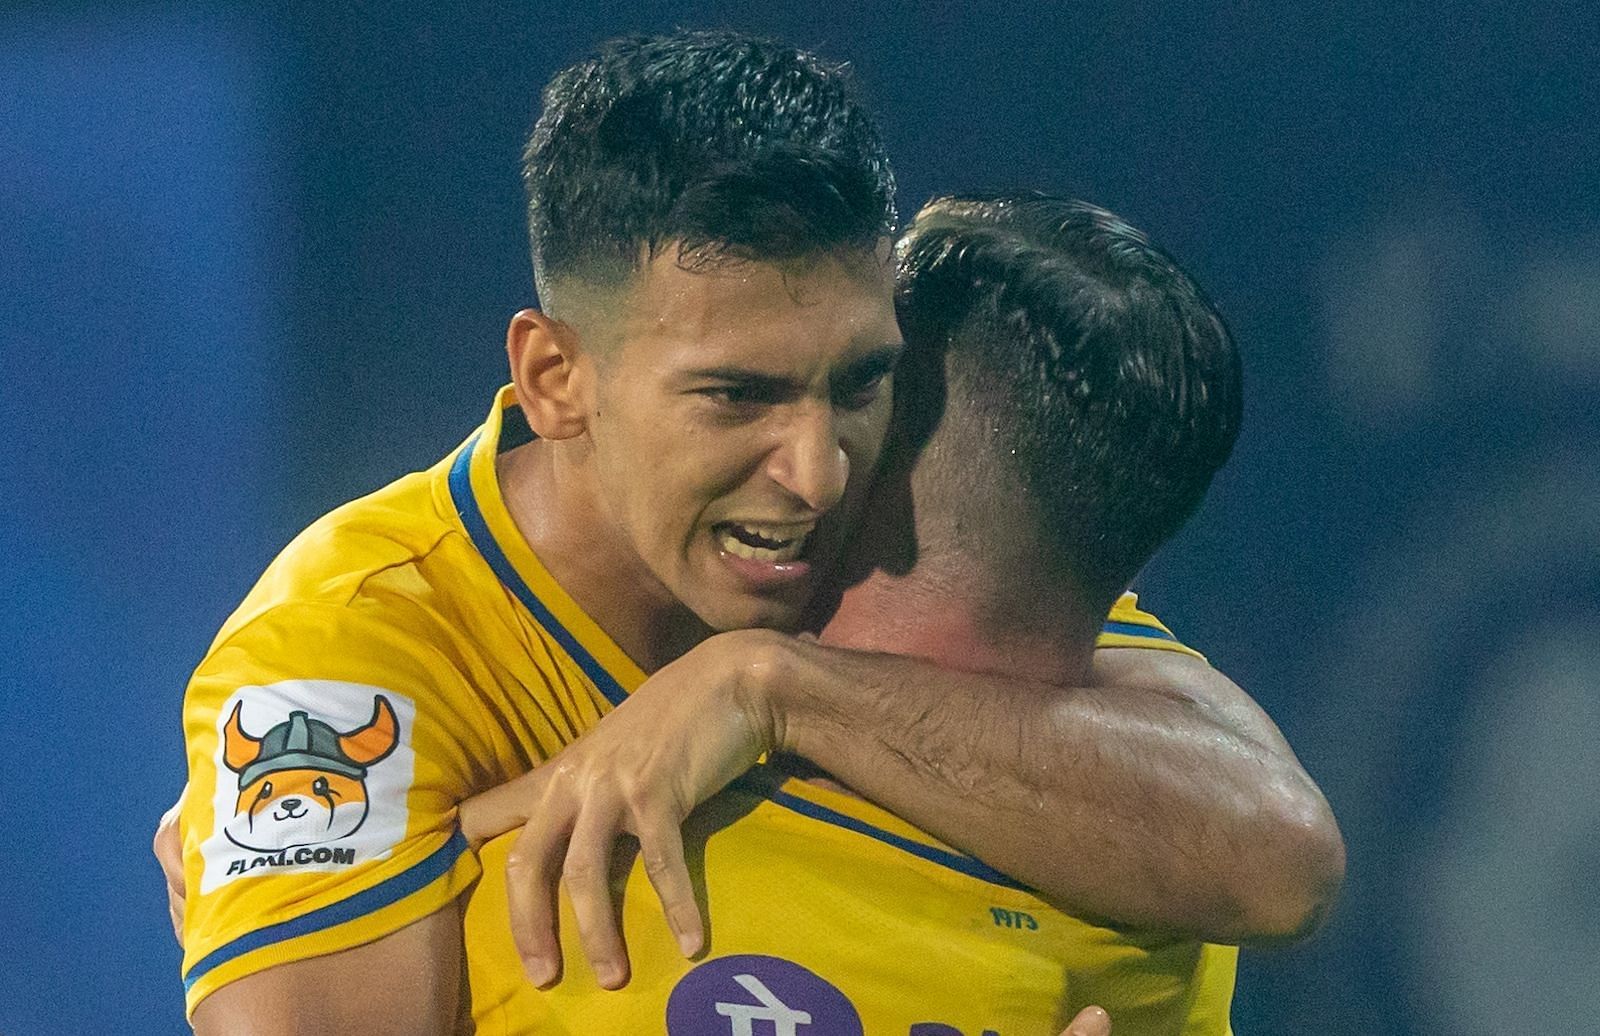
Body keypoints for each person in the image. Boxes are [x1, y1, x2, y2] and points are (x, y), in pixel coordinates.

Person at [164, 31, 1341, 1033]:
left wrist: (769, 682)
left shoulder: (866, 542)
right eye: (738, 395)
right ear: (555, 377)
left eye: (860, 380)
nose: (818, 466)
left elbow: (1274, 848)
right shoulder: (354, 649)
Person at [441, 194, 1287, 1035]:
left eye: (853, 385)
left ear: (883, 444)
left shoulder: (557, 866)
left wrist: (767, 682)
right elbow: (1284, 851)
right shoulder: (1168, 886)